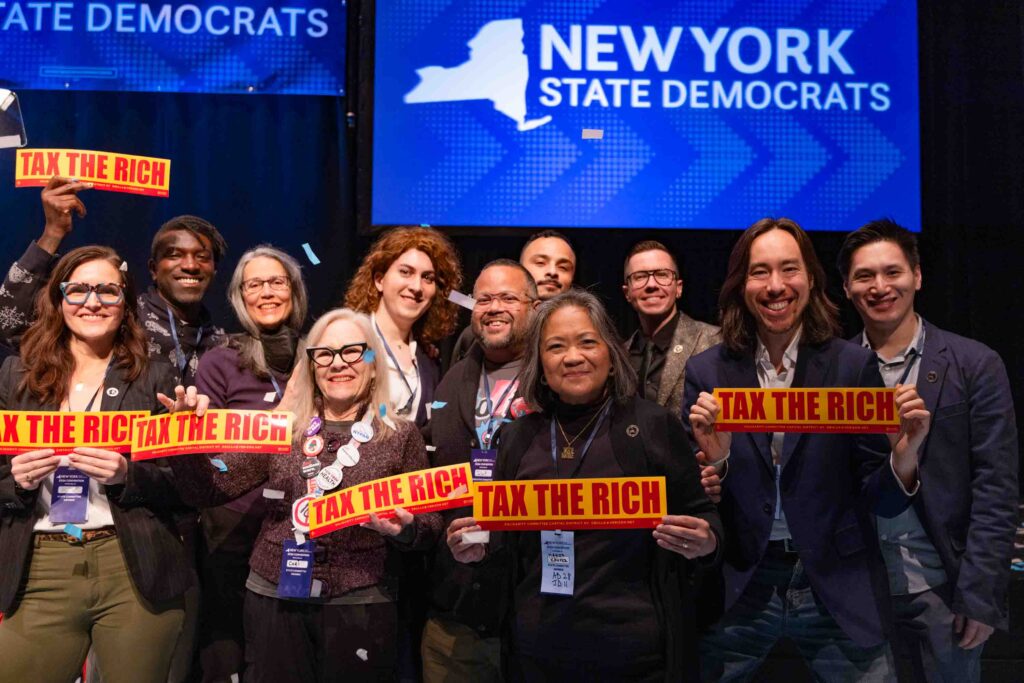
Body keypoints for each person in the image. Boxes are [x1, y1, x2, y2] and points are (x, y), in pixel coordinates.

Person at [684, 217, 931, 681]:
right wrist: (717, 459)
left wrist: (904, 455)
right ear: (741, 284)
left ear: (811, 279)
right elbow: (697, 497)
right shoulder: (706, 371)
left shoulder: (853, 365)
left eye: (789, 269)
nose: (776, 285)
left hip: (835, 585)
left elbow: (881, 498)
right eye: (760, 271)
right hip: (742, 583)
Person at [450, 289, 723, 682]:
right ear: (541, 365)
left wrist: (707, 540)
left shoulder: (652, 426)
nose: (573, 357)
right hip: (537, 653)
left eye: (587, 342)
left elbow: (705, 519)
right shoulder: (517, 438)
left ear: (611, 356)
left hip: (636, 657)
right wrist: (477, 550)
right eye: (556, 346)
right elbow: (503, 544)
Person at [168, 308, 443, 682]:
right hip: (274, 597)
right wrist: (184, 443)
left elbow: (429, 523)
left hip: (360, 602)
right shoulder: (283, 428)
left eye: (352, 351)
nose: (337, 363)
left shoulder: (399, 434)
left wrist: (407, 529)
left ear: (373, 363)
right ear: (311, 366)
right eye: (324, 354)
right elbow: (211, 487)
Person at [0, 245, 201, 683]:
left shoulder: (158, 376)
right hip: (41, 564)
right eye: (78, 291)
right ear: (58, 300)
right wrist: (13, 480)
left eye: (108, 292)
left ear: (125, 305)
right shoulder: (16, 375)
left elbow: (188, 487)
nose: (92, 302)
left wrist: (130, 475)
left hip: (132, 568)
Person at [837, 219, 1018, 682]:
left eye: (892, 272)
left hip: (943, 587)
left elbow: (996, 487)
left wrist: (981, 596)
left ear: (917, 276)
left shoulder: (975, 363)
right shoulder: (832, 371)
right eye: (864, 276)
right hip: (858, 591)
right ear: (846, 288)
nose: (880, 286)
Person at [190, 245, 309, 682]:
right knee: (228, 647)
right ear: (241, 296)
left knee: (286, 651)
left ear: (294, 292)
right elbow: (212, 459)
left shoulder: (317, 357)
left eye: (276, 282)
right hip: (234, 526)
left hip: (298, 526)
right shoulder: (220, 361)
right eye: (254, 284)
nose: (267, 292)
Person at [421, 259, 539, 683]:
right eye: (484, 299)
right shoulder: (454, 379)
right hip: (457, 607)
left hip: (534, 607)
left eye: (508, 297)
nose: (494, 307)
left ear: (535, 305)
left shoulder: (557, 379)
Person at [0, 177, 228, 385]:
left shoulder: (223, 345)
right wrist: (53, 233)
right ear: (153, 269)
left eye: (202, 257)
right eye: (174, 255)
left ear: (215, 270)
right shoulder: (117, 315)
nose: (190, 265)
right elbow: (9, 325)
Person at [344, 226, 463, 427]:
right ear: (379, 280)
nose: (416, 287)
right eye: (405, 272)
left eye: (428, 278)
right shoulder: (347, 340)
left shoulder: (428, 358)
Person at [623, 240, 720, 417]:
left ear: (679, 288)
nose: (651, 285)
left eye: (662, 275)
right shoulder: (618, 355)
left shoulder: (715, 341)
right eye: (640, 277)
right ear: (627, 293)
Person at [450, 230, 576, 365]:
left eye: (563, 267)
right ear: (520, 268)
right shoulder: (476, 334)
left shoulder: (581, 333)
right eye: (540, 263)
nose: (552, 272)